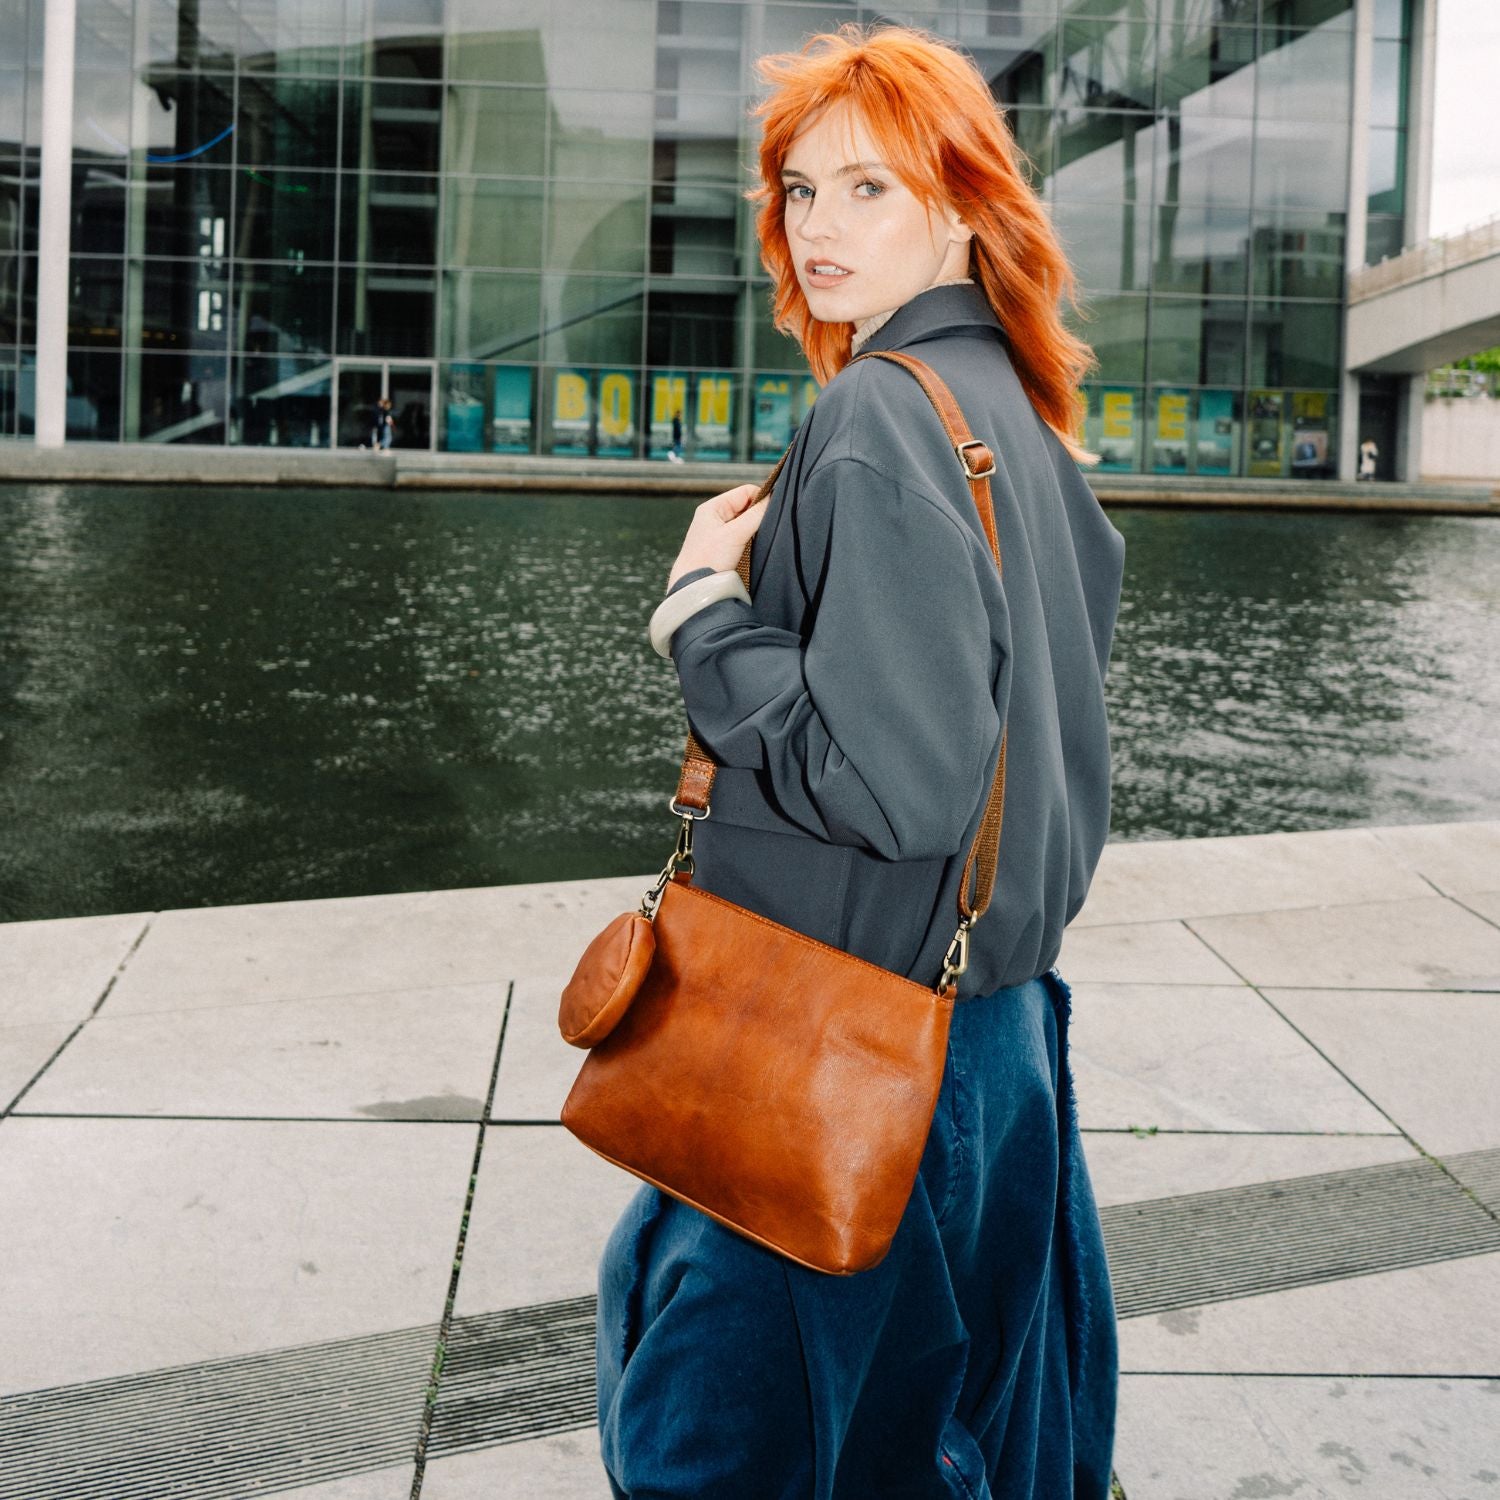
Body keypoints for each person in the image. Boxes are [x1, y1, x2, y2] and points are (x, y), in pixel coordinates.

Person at [597, 25, 1124, 1500]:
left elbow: (892, 784)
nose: (816, 228)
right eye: (798, 191)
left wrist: (703, 619)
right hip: (994, 1041)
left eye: (868, 190)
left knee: (724, 1443)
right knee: (949, 1444)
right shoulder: (1019, 420)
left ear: (963, 205)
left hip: (843, 1047)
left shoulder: (878, 414)